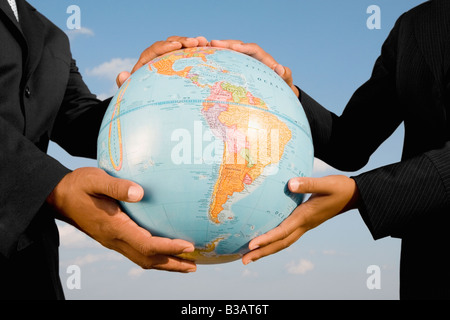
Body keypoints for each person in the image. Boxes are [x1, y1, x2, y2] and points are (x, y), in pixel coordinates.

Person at [211, 0, 450, 299]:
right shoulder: (414, 25)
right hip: (429, 264)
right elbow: (350, 142)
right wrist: (283, 94)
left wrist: (360, 194)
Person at [0, 0, 206, 300]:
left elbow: (79, 122)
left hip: (32, 264)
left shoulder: (51, 35)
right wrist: (51, 186)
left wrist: (151, 89)